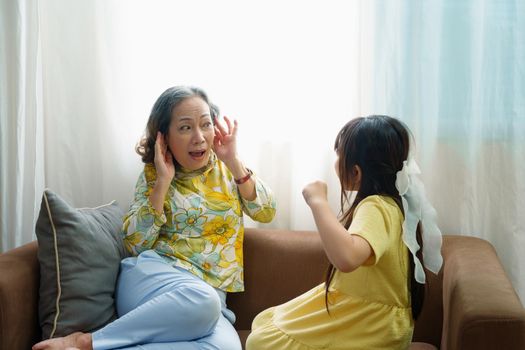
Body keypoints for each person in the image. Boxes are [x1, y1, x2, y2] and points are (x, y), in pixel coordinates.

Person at [33, 86, 276, 350]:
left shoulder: (228, 170)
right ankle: (87, 341)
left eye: (206, 124)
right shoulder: (154, 175)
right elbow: (136, 244)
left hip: (208, 301)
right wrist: (163, 181)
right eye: (185, 128)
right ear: (164, 137)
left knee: (227, 347)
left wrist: (234, 161)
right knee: (204, 301)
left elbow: (266, 211)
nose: (199, 137)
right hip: (153, 280)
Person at [246, 115, 443, 350]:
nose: (336, 161)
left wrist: (317, 202)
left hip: (370, 327)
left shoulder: (377, 206)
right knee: (265, 322)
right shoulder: (394, 205)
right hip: (372, 321)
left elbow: (347, 257)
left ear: (357, 172)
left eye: (339, 155)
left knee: (261, 341)